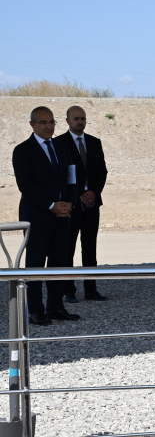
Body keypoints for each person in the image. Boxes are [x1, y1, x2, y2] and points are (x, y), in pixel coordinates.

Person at [11, 106, 79, 325]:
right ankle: (34, 310)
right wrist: (51, 205)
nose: (49, 127)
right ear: (32, 125)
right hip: (37, 216)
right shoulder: (23, 150)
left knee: (59, 263)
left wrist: (69, 202)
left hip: (63, 216)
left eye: (52, 122)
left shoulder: (62, 147)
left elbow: (71, 177)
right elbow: (26, 185)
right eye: (43, 123)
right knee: (35, 263)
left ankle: (56, 306)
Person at [55, 106, 108, 301]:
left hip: (92, 204)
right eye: (76, 119)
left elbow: (102, 172)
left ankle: (91, 290)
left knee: (90, 247)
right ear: (67, 120)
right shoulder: (59, 143)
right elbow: (60, 175)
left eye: (83, 118)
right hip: (71, 204)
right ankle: (68, 291)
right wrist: (76, 196)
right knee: (67, 248)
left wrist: (94, 192)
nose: (80, 122)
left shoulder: (94, 142)